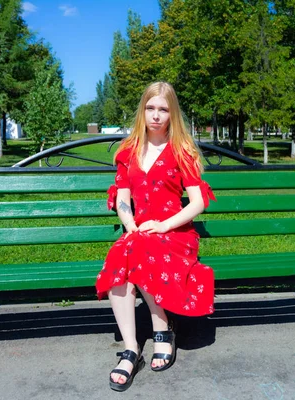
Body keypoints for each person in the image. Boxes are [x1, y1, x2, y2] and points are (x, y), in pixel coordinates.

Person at [95, 82, 216, 392]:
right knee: (121, 257)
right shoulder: (128, 151)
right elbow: (122, 199)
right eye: (151, 108)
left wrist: (162, 226)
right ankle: (132, 349)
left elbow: (198, 202)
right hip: (141, 233)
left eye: (163, 109)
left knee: (138, 251)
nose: (156, 115)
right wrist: (130, 225)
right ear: (142, 111)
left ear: (172, 113)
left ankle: (161, 328)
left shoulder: (181, 151)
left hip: (175, 235)